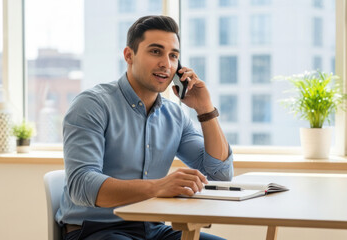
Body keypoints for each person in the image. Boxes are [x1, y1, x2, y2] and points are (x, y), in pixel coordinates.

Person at [56, 15, 234, 240]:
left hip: (154, 230)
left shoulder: (175, 115)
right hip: (97, 230)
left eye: (173, 55)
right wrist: (158, 187)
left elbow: (220, 174)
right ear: (129, 55)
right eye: (155, 51)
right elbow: (82, 185)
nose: (166, 64)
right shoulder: (92, 105)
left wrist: (205, 109)